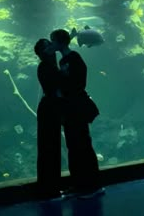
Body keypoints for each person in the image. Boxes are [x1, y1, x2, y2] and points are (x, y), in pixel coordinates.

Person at [50, 29, 105, 199]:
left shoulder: (73, 58)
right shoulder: (65, 59)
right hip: (71, 108)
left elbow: (78, 82)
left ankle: (91, 186)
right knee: (74, 147)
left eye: (53, 41)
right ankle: (80, 184)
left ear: (59, 42)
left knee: (82, 146)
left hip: (76, 109)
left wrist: (63, 84)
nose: (52, 45)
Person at [34, 38, 64, 196]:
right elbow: (56, 87)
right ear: (41, 53)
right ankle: (48, 189)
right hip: (49, 109)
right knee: (48, 148)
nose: (51, 48)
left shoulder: (50, 65)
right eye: (47, 47)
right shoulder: (46, 67)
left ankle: (52, 187)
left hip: (51, 108)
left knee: (52, 147)